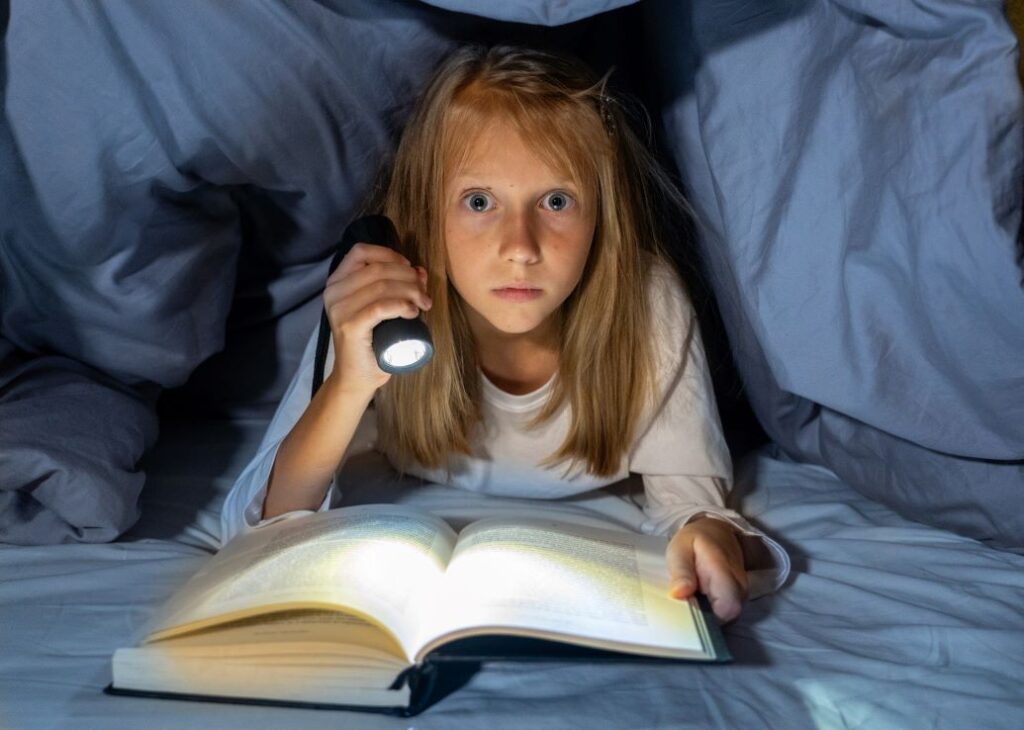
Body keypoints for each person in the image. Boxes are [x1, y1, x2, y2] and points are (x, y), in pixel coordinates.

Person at [221, 45, 789, 623]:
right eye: (479, 201)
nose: (520, 247)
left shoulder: (647, 305)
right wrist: (348, 381)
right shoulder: (382, 298)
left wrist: (709, 536)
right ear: (426, 211)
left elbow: (690, 505)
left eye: (557, 201)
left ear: (602, 214)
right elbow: (266, 520)